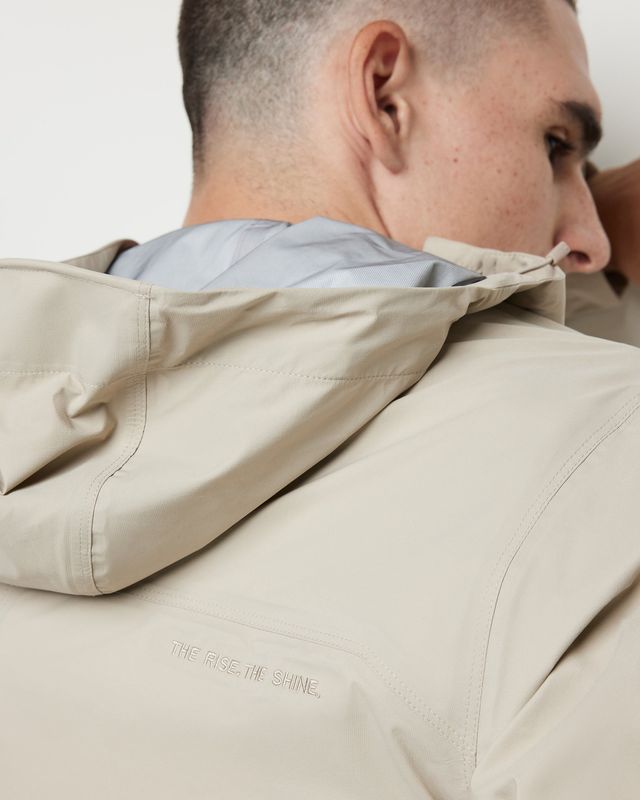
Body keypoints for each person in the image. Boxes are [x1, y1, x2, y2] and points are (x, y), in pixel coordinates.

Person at [0, 0, 638, 797]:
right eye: (556, 144)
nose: (591, 240)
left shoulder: (30, 414)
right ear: (383, 94)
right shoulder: (612, 464)